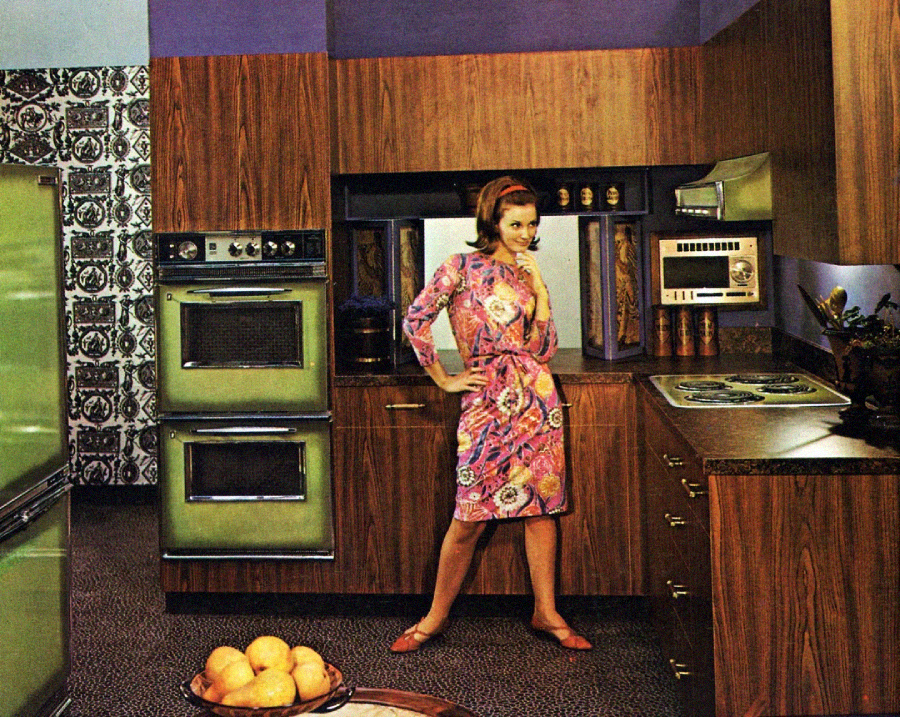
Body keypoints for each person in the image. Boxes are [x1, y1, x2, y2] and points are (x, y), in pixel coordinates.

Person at [390, 176, 592, 653]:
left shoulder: (526, 276)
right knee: (469, 516)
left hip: (536, 400)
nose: (525, 232)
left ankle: (546, 612)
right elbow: (415, 319)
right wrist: (444, 377)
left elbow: (542, 349)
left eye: (532, 224)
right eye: (515, 223)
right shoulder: (459, 267)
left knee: (543, 511)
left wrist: (541, 291)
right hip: (485, 402)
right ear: (493, 222)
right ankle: (434, 618)